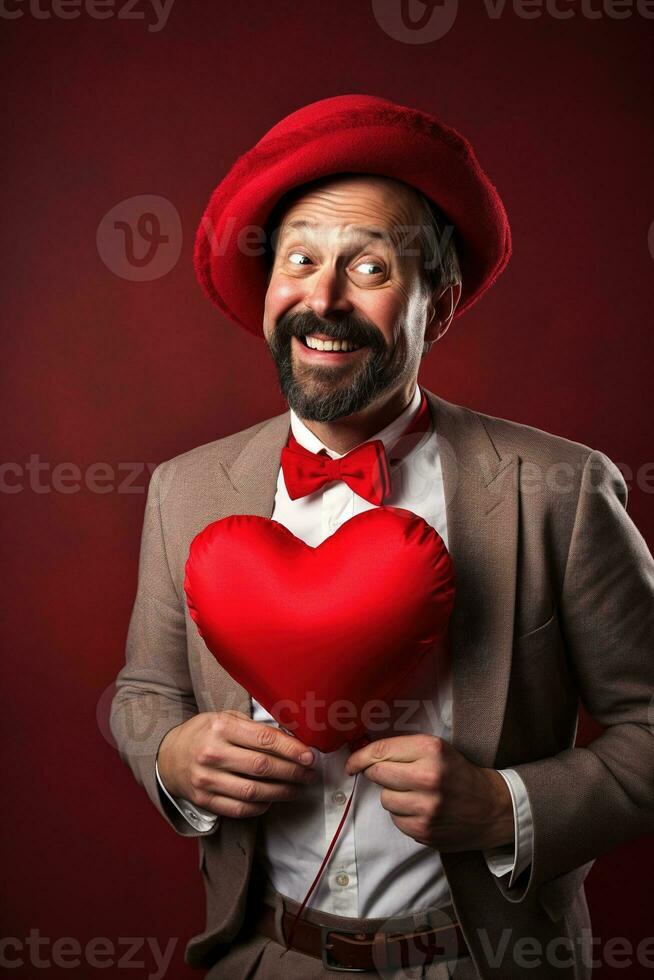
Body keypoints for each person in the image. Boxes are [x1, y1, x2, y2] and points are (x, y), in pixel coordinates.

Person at [109, 94, 654, 980]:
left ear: (436, 308)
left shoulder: (561, 489)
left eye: (368, 268)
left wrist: (502, 805)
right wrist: (171, 757)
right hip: (264, 958)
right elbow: (142, 692)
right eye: (300, 260)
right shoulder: (183, 490)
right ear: (266, 290)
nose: (322, 299)